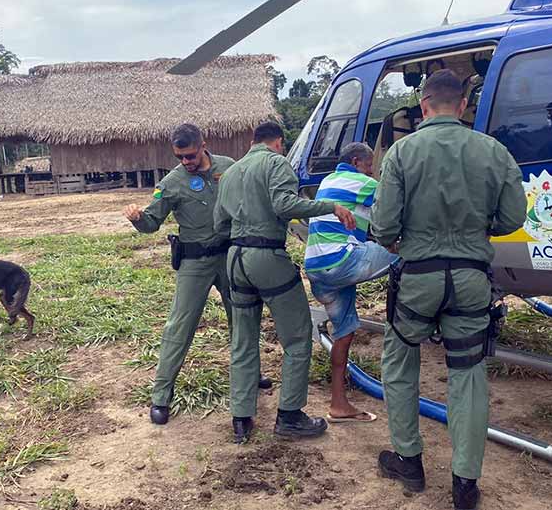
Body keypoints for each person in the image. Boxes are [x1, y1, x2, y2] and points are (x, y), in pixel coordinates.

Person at [371, 70, 526, 510]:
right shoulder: (493, 151)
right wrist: (479, 232)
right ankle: (465, 485)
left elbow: (383, 226)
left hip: (418, 278)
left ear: (423, 106)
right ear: (462, 106)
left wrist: (401, 241)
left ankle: (409, 462)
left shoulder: (401, 152)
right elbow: (514, 216)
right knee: (468, 375)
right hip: (472, 280)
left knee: (400, 362)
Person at [214, 121, 356, 444]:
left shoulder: (232, 172)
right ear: (278, 142)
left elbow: (218, 223)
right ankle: (290, 415)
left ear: (253, 141)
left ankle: (241, 418)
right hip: (266, 258)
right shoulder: (276, 163)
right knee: (296, 336)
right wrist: (330, 207)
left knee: (243, 338)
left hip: (235, 260)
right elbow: (285, 205)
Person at [124, 123, 271, 426]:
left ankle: (251, 375)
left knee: (244, 318)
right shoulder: (172, 182)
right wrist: (139, 218)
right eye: (180, 157)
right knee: (179, 326)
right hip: (195, 261)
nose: (186, 162)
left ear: (204, 144)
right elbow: (153, 221)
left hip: (230, 256)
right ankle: (161, 396)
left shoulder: (229, 167)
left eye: (190, 155)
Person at [303, 142, 397, 423]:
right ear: (357, 162)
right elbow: (395, 207)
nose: (372, 172)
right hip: (341, 261)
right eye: (370, 166)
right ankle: (420, 318)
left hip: (317, 269)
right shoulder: (363, 182)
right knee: (412, 252)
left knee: (344, 331)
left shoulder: (327, 181)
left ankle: (339, 405)